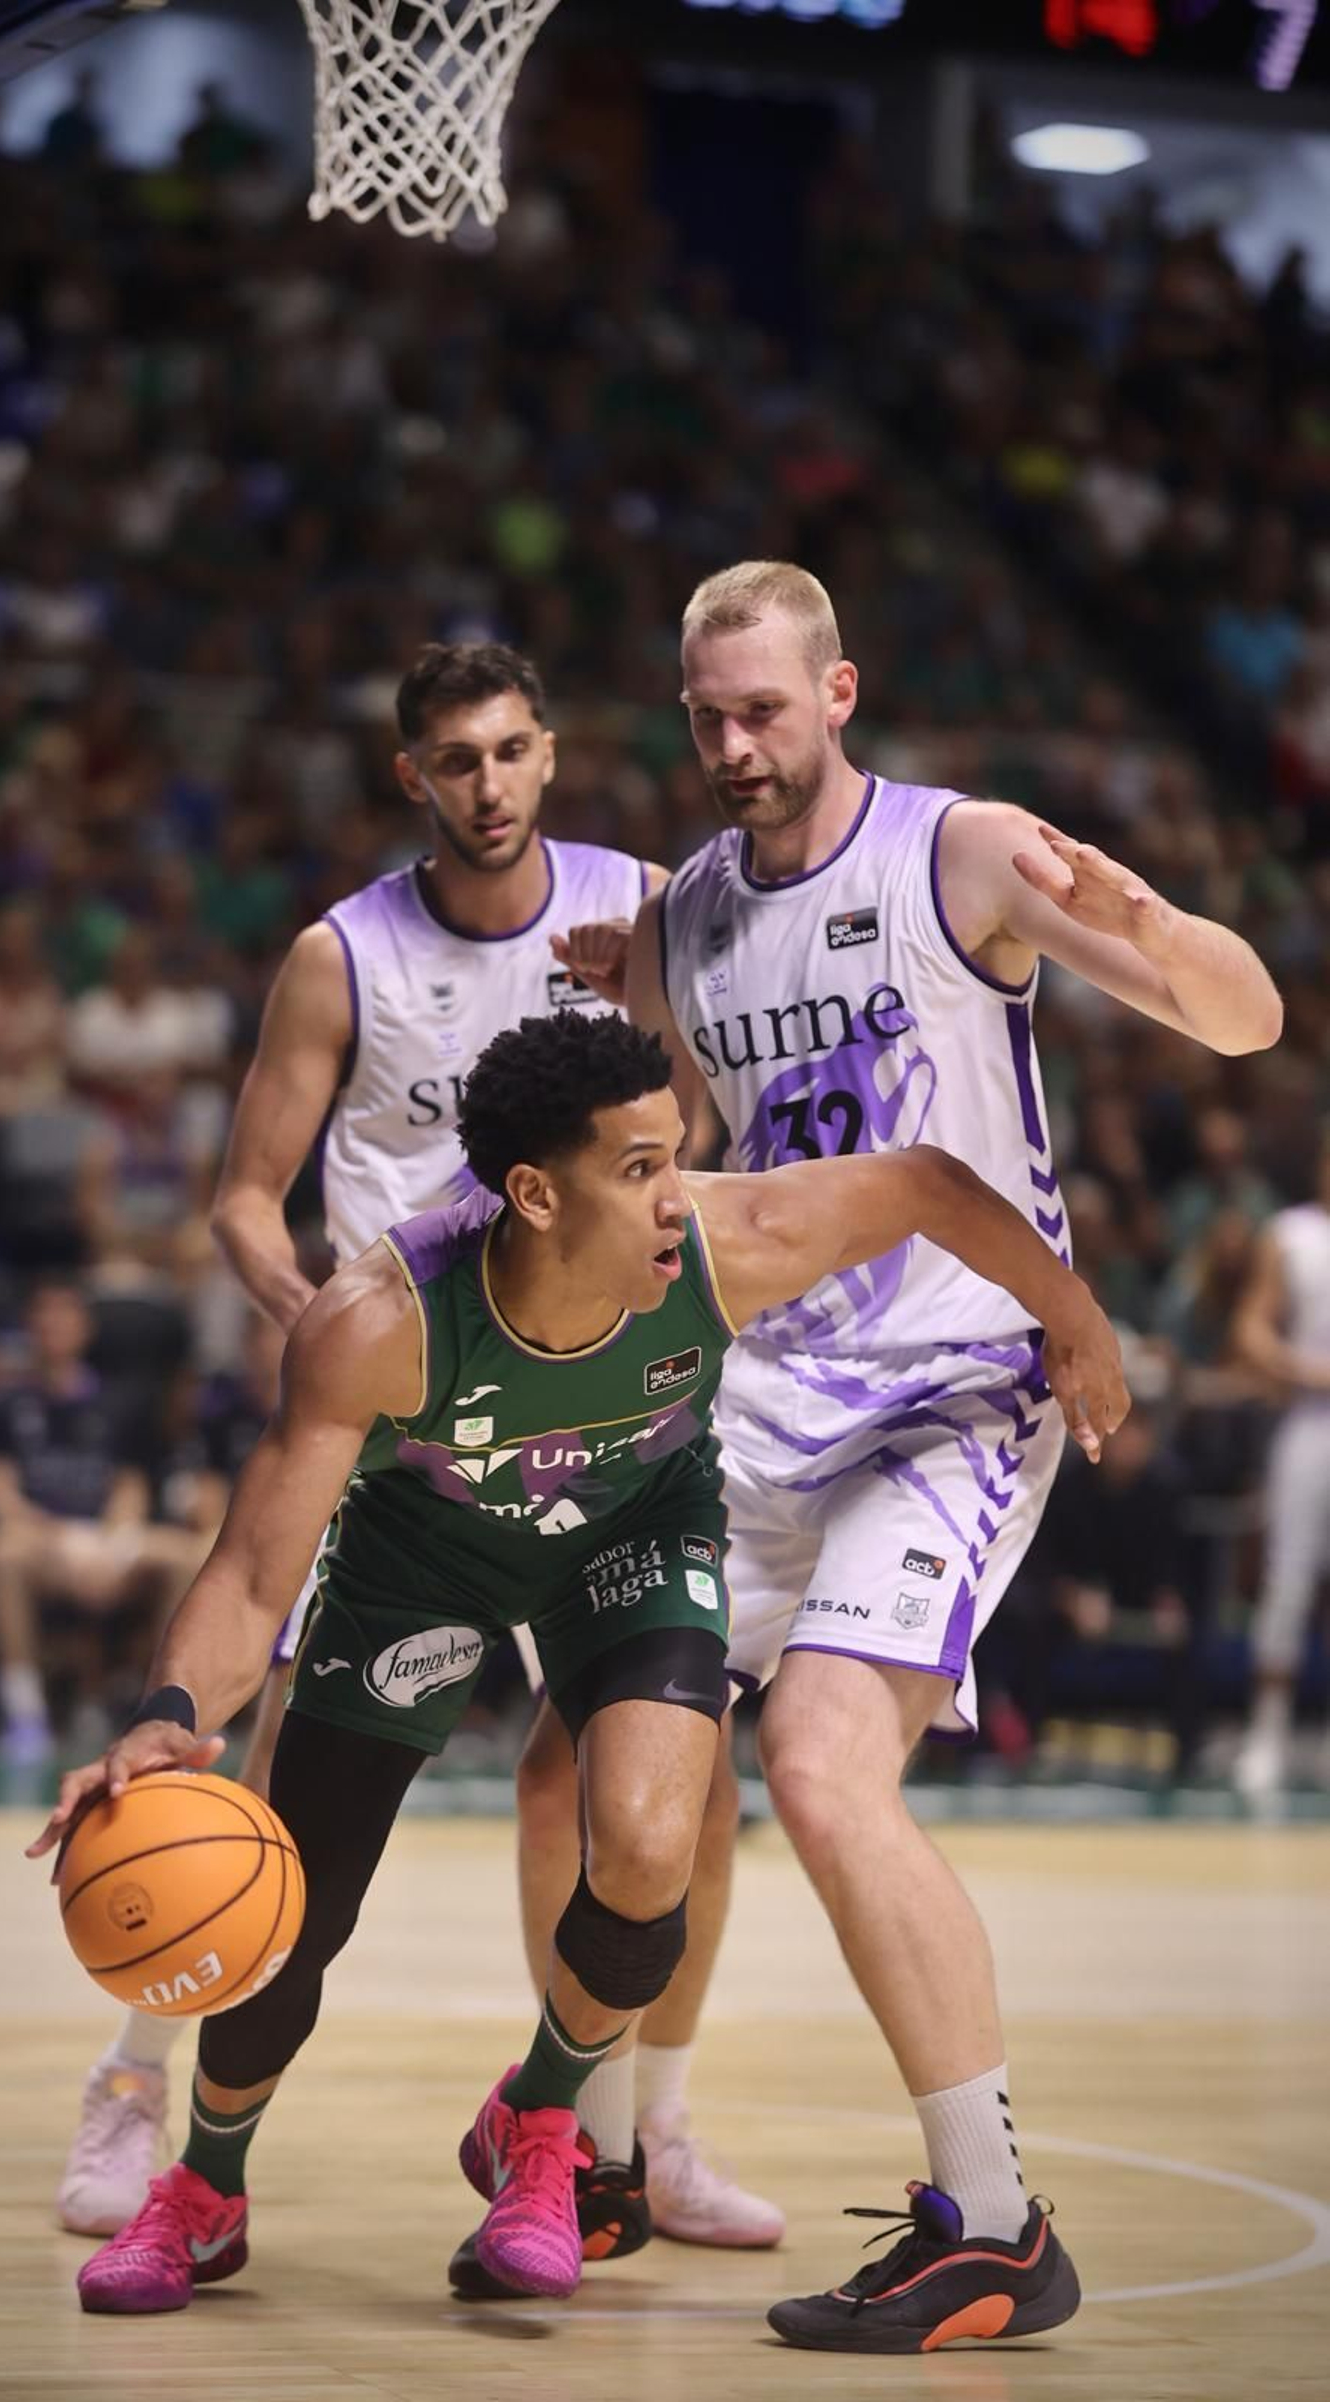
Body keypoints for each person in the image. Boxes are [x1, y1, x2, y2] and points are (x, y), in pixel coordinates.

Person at [28, 1009, 1127, 2319]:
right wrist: (164, 1714)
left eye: (677, 1156)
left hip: (634, 1540)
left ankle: (545, 2118)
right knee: (294, 1910)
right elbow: (255, 1567)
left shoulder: (734, 1243)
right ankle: (205, 2188)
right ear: (536, 1194)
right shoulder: (380, 1319)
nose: (678, 1198)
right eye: (639, 1169)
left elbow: (933, 1184)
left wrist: (1074, 1316)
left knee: (656, 1838)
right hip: (422, 1565)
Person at [607, 557, 1280, 2351]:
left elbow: (1246, 1017)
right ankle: (596, 2139)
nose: (735, 743)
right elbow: (688, 1163)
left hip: (959, 1377)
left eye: (765, 708)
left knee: (825, 1766)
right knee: (603, 1750)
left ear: (839, 695)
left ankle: (989, 2223)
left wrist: (1158, 921)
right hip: (765, 1390)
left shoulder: (962, 851)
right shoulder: (684, 917)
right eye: (706, 716)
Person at [55, 641, 774, 2257]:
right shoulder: (341, 956)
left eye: (516, 750)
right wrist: (328, 1316)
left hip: (594, 1394)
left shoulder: (640, 907)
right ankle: (145, 2084)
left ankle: (628, 2135)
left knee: (667, 1789)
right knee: (260, 1800)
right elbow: (246, 1191)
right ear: (414, 778)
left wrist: (656, 1018)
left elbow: (698, 1142)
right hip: (399, 1405)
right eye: (459, 758)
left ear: (550, 751)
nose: (493, 783)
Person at [0, 1280, 203, 1760]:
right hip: (44, 1543)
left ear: (84, 1329)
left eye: (64, 1317)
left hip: (107, 1542)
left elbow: (131, 1486)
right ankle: (24, 1710)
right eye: (43, 1318)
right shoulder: (3, 1403)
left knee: (186, 1555)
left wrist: (113, 1542)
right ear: (29, 1329)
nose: (53, 1328)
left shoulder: (120, 1402)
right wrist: (62, 1538)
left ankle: (157, 1704)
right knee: (1, 1551)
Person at [1230, 1129, 1330, 1797]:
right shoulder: (1292, 1233)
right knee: (1289, 1577)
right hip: (1311, 1420)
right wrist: (1303, 1368)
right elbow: (1250, 1327)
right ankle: (1267, 1730)